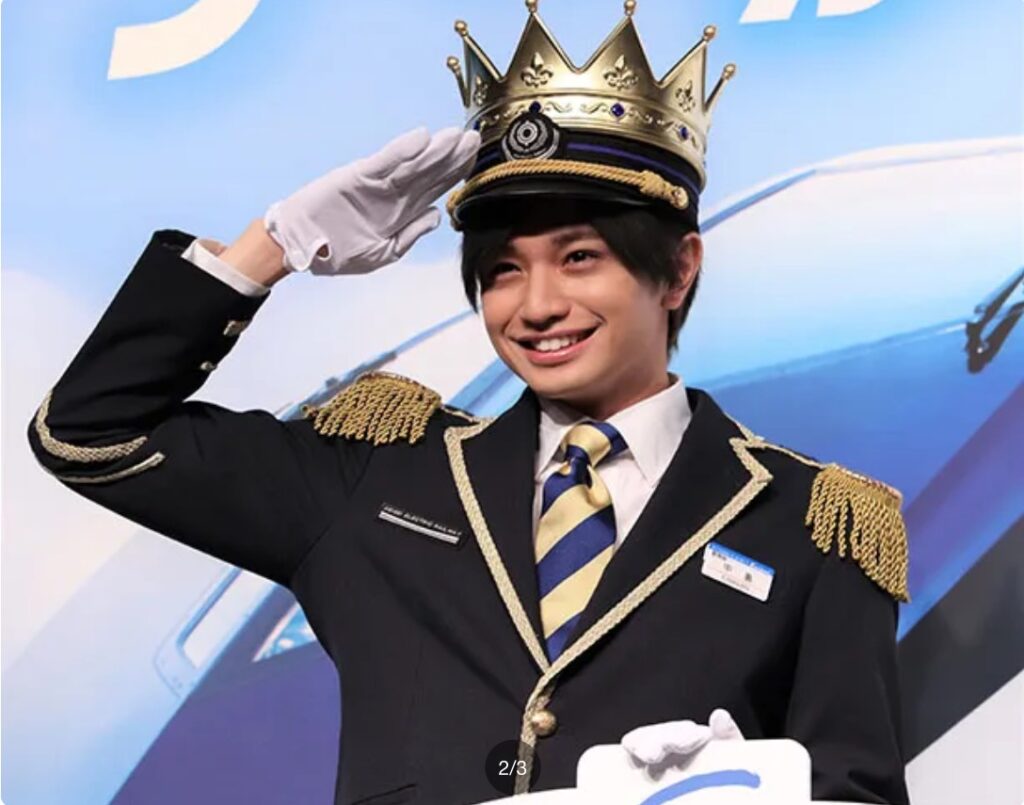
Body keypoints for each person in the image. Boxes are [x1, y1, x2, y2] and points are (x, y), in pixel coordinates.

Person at [27, 2, 911, 803]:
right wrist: (273, 245)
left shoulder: (811, 527)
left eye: (579, 258)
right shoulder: (375, 475)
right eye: (501, 271)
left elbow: (859, 790)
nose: (536, 306)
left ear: (678, 270)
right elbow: (91, 431)